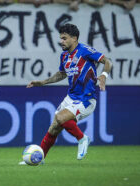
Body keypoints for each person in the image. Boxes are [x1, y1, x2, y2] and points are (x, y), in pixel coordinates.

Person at [24, 24, 112, 163]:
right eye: (60, 38)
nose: (61, 41)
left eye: (64, 38)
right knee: (53, 128)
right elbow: (61, 74)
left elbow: (107, 61)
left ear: (74, 38)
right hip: (70, 97)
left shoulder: (85, 50)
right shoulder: (64, 55)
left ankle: (82, 139)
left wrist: (104, 75)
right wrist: (43, 82)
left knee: (60, 117)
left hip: (86, 99)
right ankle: (40, 158)